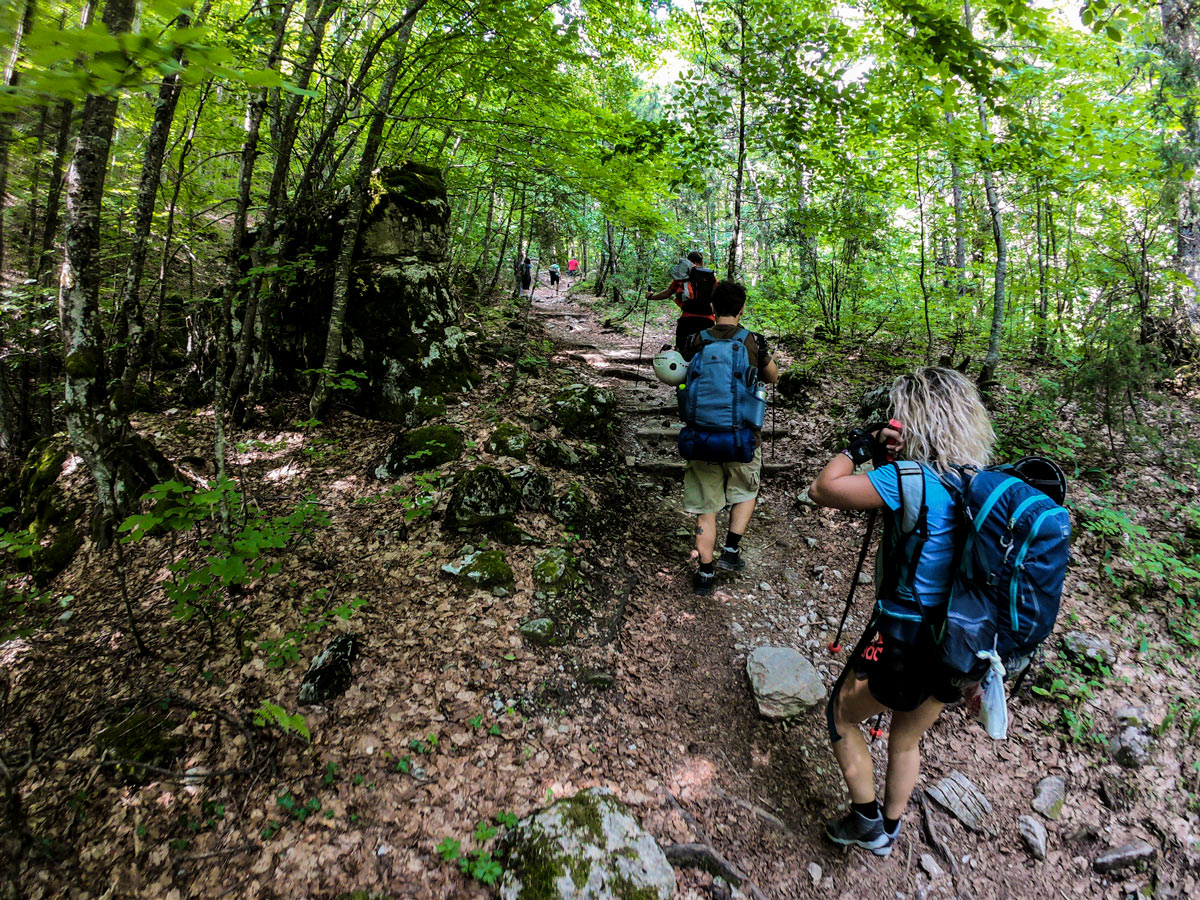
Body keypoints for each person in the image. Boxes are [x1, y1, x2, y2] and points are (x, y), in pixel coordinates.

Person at [807, 367, 996, 857]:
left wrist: (862, 447)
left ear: (915, 417)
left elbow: (824, 489)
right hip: (959, 643)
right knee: (906, 738)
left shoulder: (905, 476)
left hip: (901, 636)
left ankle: (867, 822)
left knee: (843, 716)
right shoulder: (981, 485)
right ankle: (889, 829)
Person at [679, 281, 779, 595]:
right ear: (742, 309)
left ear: (711, 309)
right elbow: (773, 377)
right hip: (744, 438)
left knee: (706, 505)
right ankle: (732, 550)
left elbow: (679, 377)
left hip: (702, 437)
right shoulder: (753, 342)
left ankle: (706, 573)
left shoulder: (695, 340)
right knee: (745, 490)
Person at [647, 251, 717, 349]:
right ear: (701, 262)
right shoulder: (711, 277)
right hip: (708, 320)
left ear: (689, 261)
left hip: (687, 319)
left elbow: (668, 293)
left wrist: (651, 297)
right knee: (706, 351)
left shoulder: (682, 277)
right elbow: (718, 297)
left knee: (682, 351)